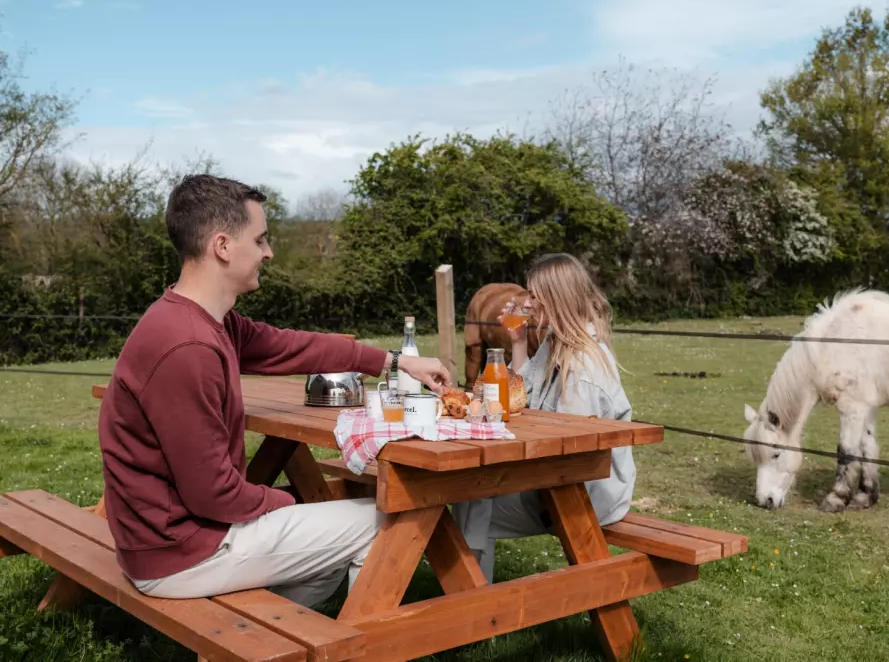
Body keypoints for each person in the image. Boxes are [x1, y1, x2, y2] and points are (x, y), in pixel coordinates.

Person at [97, 174, 450, 607]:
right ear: (223, 246)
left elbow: (294, 346)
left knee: (323, 550)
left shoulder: (207, 320)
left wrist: (397, 361)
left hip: (169, 539)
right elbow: (214, 494)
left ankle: (271, 636)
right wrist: (292, 501)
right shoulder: (187, 345)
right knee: (391, 518)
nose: (269, 252)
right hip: (182, 551)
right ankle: (359, 646)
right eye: (261, 240)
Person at [452, 252, 636, 582]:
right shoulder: (557, 341)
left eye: (535, 295)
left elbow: (567, 451)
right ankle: (472, 598)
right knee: (471, 496)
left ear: (555, 299)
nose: (528, 303)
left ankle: (472, 605)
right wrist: (519, 343)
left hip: (590, 495)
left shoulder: (582, 370)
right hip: (565, 482)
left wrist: (506, 468)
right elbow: (523, 394)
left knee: (471, 502)